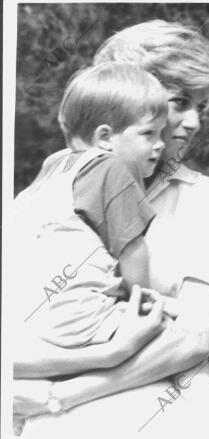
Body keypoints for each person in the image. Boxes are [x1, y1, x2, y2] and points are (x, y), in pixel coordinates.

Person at [10, 20, 209, 439]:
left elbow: (193, 340)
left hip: (163, 421)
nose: (195, 121)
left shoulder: (207, 202)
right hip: (45, 430)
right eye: (179, 102)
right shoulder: (49, 189)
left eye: (203, 107)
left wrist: (58, 396)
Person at [12, 62, 171, 351]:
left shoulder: (55, 165)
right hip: (78, 321)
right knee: (183, 331)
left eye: (162, 133)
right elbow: (133, 249)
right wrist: (142, 296)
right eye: (149, 133)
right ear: (105, 138)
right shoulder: (113, 168)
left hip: (22, 319)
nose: (160, 145)